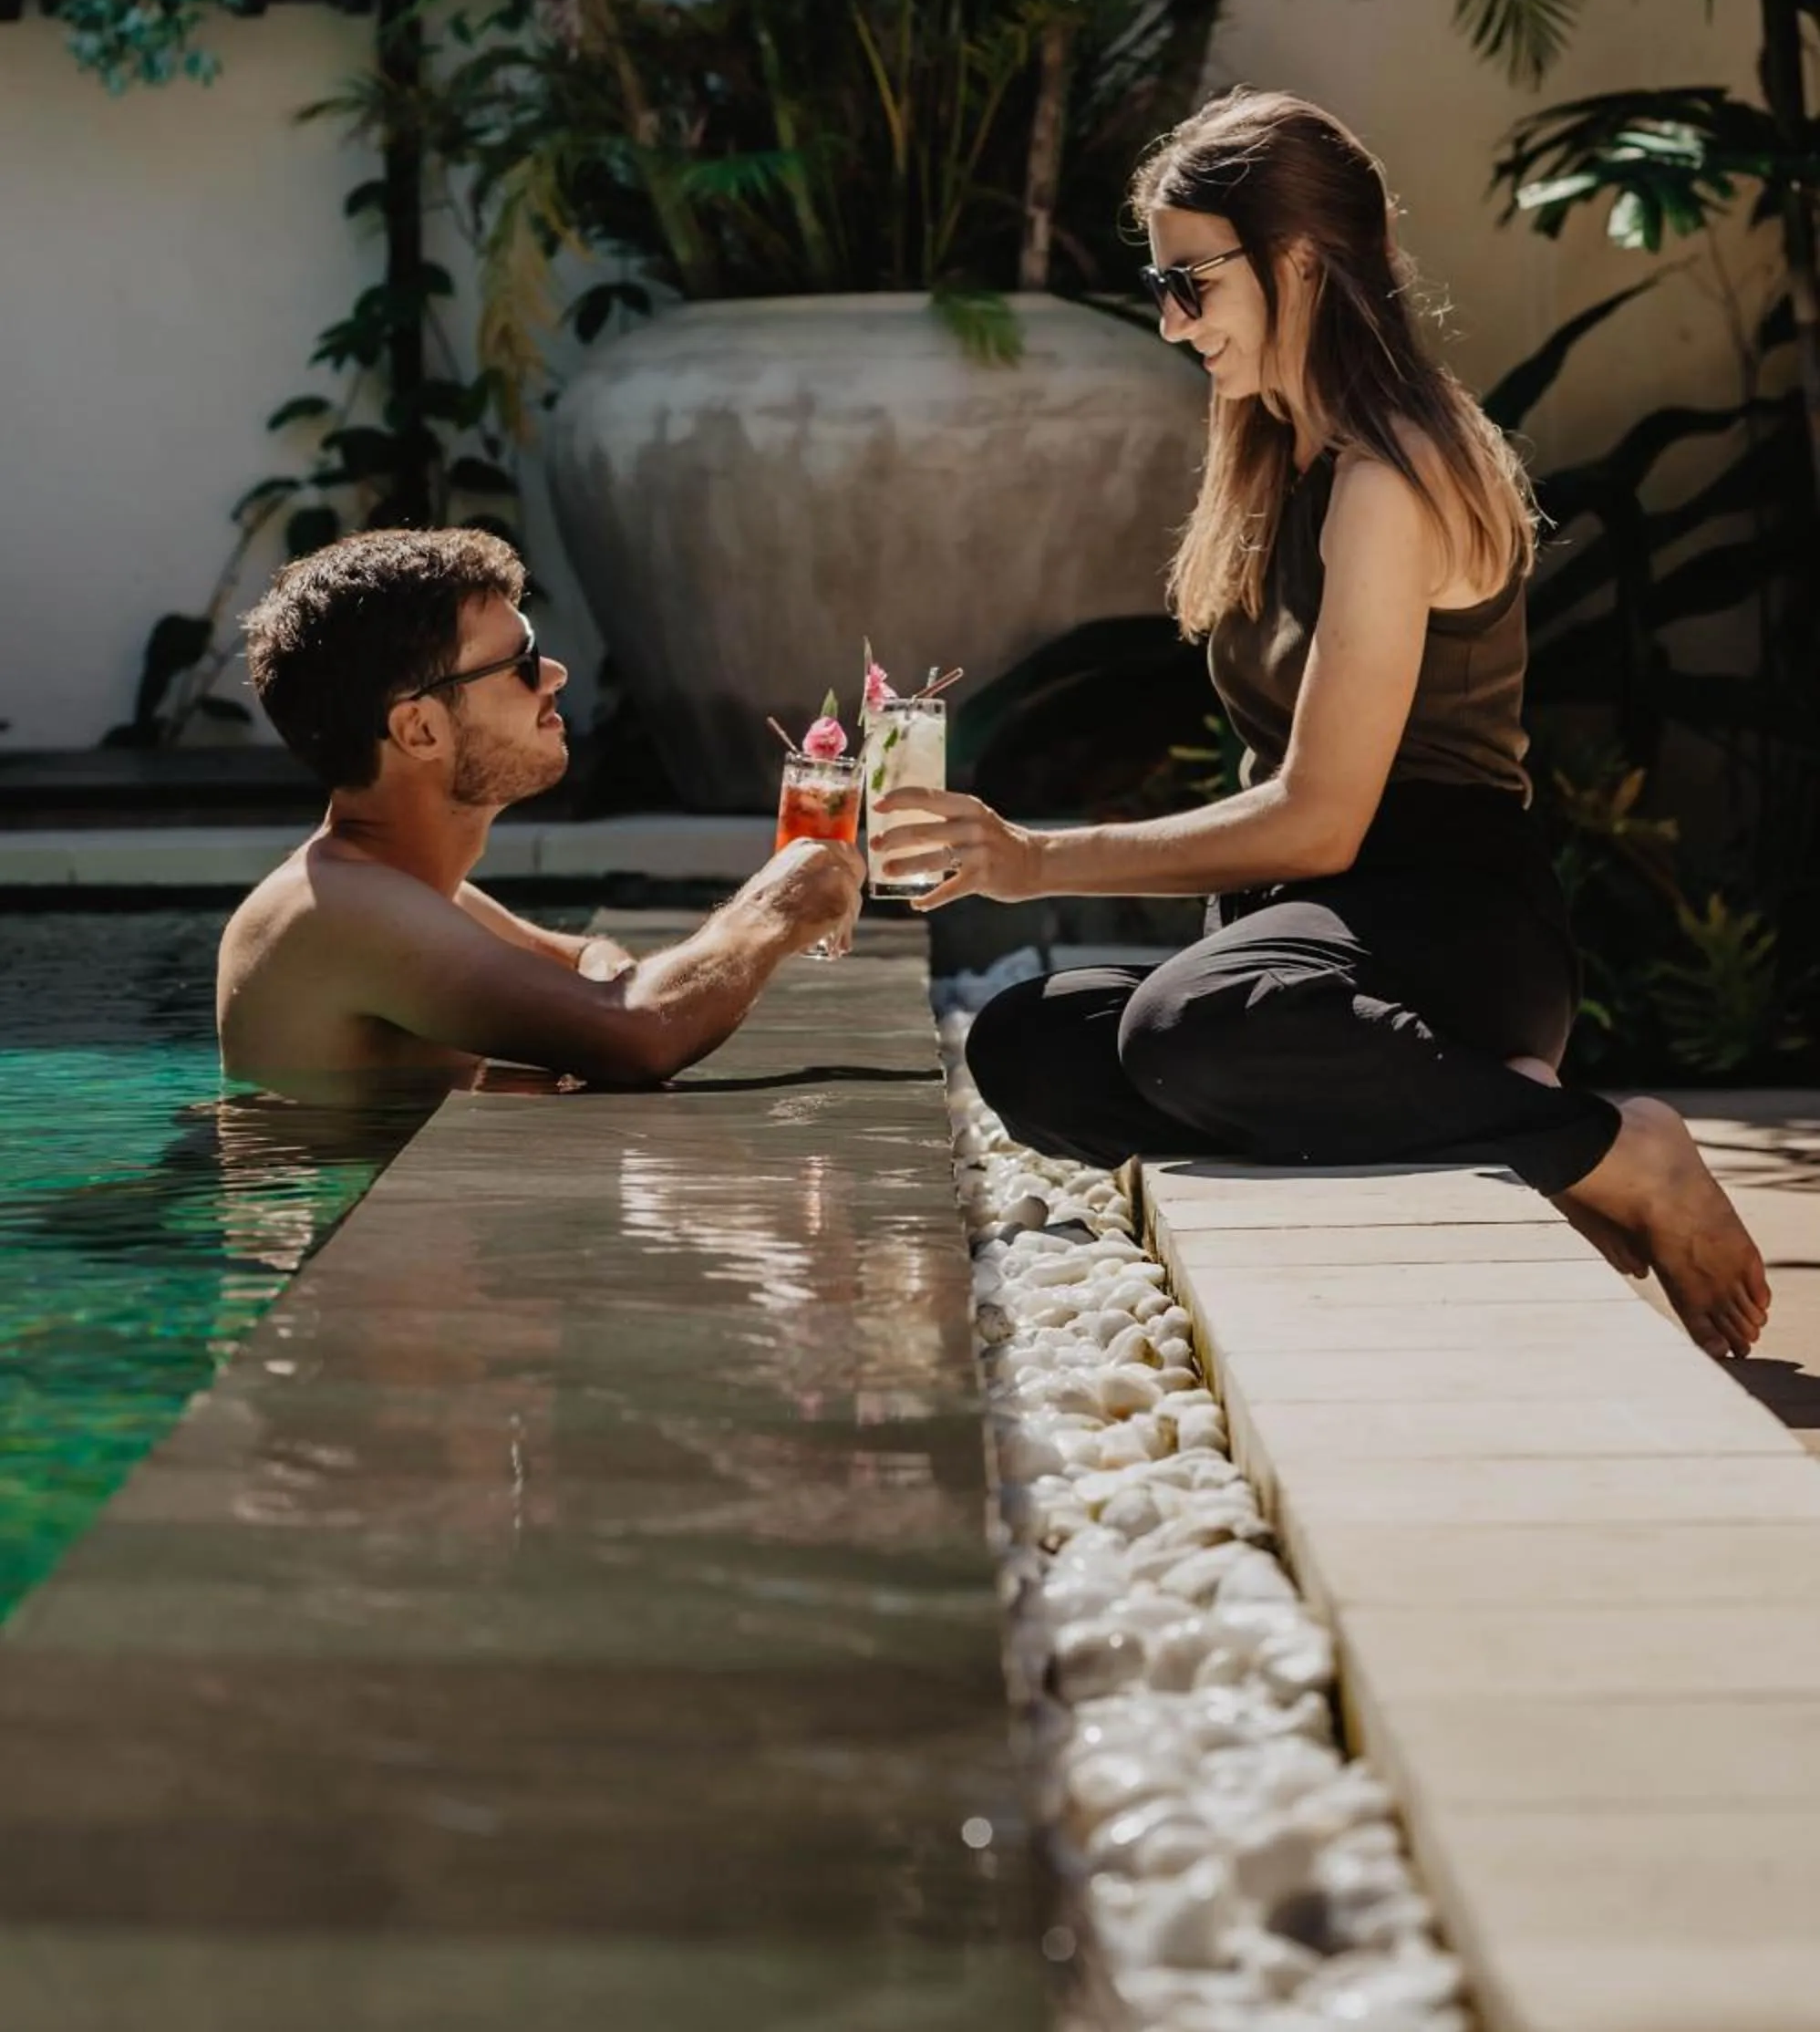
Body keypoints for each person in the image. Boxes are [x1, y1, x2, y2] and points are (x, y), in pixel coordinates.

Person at [877, 89, 1769, 1360]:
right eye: (1163, 284)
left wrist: (1039, 860)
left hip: (1449, 928)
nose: (1172, 321)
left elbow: (1323, 817)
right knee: (1030, 1049)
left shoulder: (1392, 477)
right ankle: (1464, 1112)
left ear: (1295, 263)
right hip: (1315, 946)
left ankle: (1615, 1148)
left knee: (1189, 1033)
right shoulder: (1281, 459)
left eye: (1191, 283)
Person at [218, 528, 862, 1108]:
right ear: (419, 730)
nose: (554, 674)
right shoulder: (339, 908)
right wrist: (775, 907)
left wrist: (598, 1007)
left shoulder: (394, 887)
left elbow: (586, 960)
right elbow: (638, 1033)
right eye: (520, 664)